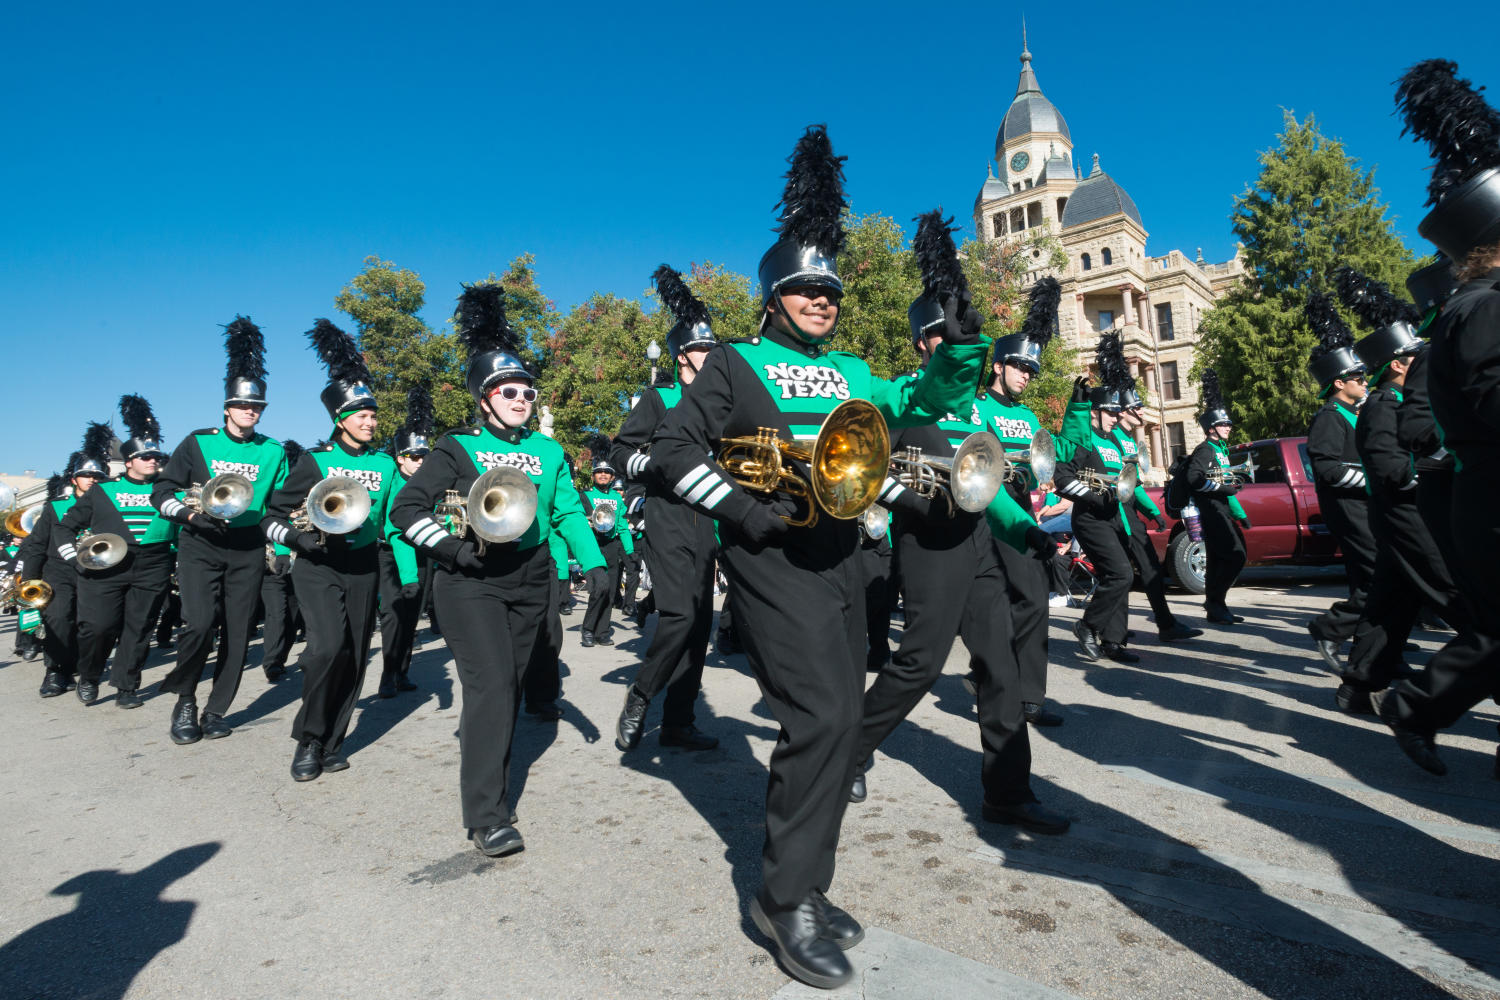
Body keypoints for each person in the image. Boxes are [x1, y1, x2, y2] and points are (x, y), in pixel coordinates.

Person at [650, 127, 988, 989]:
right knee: (826, 719)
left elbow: (914, 414)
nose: (822, 300)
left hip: (845, 554)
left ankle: (808, 882)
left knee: (838, 728)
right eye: (805, 289)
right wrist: (744, 513)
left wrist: (959, 346)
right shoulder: (731, 362)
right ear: (773, 296)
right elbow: (674, 453)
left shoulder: (852, 369)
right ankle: (783, 899)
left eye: (830, 290)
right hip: (773, 558)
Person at [854, 211, 1065, 836]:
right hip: (927, 543)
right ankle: (847, 751)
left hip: (976, 543)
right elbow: (873, 474)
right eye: (944, 338)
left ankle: (1008, 792)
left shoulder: (977, 408)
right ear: (924, 343)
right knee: (918, 664)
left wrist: (1024, 531)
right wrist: (909, 501)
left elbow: (988, 483)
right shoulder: (900, 398)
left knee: (999, 667)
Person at [390, 283, 607, 857]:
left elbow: (566, 511)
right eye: (507, 391)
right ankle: (487, 815)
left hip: (531, 575)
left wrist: (597, 563)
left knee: (508, 688)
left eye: (527, 390)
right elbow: (405, 510)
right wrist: (450, 551)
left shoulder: (551, 451)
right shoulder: (456, 446)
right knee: (489, 687)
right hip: (470, 581)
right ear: (483, 400)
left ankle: (493, 781)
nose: (521, 398)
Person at [1377, 59, 1500, 776]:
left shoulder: (1471, 305)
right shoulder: (1482, 307)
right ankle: (1415, 703)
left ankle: (1416, 703)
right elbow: (1489, 397)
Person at [263, 320, 397, 781]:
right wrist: (297, 540)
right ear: (340, 418)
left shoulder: (384, 463)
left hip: (364, 565)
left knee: (355, 656)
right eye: (362, 415)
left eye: (374, 415)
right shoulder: (315, 460)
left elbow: (400, 514)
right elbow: (270, 515)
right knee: (326, 650)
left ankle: (334, 740)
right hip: (317, 564)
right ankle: (309, 738)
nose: (371, 421)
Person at [1334, 267, 1469, 712]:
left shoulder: (1390, 402)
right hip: (1404, 512)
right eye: (1413, 356)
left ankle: (1358, 684)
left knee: (1391, 602)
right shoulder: (1381, 406)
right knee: (1460, 598)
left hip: (1405, 514)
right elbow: (1390, 467)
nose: (1423, 360)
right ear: (1397, 363)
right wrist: (1441, 464)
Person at [152, 317, 288, 745]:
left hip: (247, 547)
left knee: (238, 631)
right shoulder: (198, 442)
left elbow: (281, 503)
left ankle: (215, 709)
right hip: (199, 543)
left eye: (258, 407)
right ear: (227, 407)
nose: (251, 412)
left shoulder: (274, 450)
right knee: (198, 625)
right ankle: (186, 698)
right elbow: (162, 492)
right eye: (244, 405)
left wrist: (282, 543)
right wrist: (190, 517)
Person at [609, 267, 725, 752]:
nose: (714, 358)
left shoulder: (726, 403)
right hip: (668, 515)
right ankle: (641, 694)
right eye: (704, 351)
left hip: (712, 521)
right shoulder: (660, 398)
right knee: (678, 616)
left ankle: (679, 722)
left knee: (699, 622)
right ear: (682, 358)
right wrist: (657, 466)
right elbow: (619, 452)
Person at [977, 276, 1067, 724]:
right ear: (998, 366)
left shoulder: (1030, 416)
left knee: (1031, 598)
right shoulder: (978, 407)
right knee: (1007, 603)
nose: (1026, 377)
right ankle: (997, 682)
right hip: (986, 514)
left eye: (1031, 371)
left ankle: (1027, 696)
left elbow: (1041, 461)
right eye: (1019, 368)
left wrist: (1040, 474)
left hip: (1022, 509)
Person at [61, 399, 177, 708]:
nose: (153, 460)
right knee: (98, 627)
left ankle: (127, 686)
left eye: (157, 456)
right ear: (128, 462)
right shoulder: (103, 490)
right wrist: (75, 559)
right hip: (106, 566)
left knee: (139, 629)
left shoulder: (168, 492)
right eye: (146, 456)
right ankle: (88, 675)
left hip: (153, 563)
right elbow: (65, 527)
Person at [1055, 335, 1143, 663]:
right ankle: (1088, 625)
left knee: (1116, 576)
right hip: (1090, 517)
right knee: (1121, 573)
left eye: (1113, 412)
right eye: (1106, 412)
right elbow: (1062, 478)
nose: (1111, 417)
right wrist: (1092, 494)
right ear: (1093, 411)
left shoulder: (1116, 443)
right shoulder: (1084, 438)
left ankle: (1114, 642)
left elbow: (1125, 479)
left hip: (1113, 515)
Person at [1303, 292, 1375, 670]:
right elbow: (1328, 469)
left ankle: (1376, 648)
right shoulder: (1330, 416)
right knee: (1379, 575)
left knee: (1374, 578)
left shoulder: (1354, 413)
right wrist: (1376, 478)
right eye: (1357, 377)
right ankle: (1332, 628)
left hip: (1365, 505)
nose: (1364, 382)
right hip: (1349, 508)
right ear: (1337, 383)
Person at [21, 433, 112, 697]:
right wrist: (30, 581)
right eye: (87, 476)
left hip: (96, 573)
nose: (93, 480)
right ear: (74, 480)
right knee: (59, 618)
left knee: (91, 625)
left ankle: (83, 668)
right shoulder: (55, 507)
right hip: (59, 571)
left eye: (98, 477)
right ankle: (55, 671)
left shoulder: (110, 506)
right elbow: (37, 545)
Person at [1114, 383, 1202, 641]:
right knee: (1133, 571)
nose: (1141, 410)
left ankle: (1123, 626)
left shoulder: (1128, 439)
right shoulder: (1115, 438)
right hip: (1120, 513)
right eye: (1136, 407)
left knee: (1137, 571)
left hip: (1131, 510)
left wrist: (1152, 512)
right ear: (1122, 411)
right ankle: (1160, 624)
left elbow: (1136, 484)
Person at [377, 385, 433, 699]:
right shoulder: (391, 480)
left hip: (423, 556)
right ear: (400, 458)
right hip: (391, 557)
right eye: (414, 456)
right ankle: (387, 675)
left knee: (411, 618)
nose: (421, 461)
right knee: (393, 618)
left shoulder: (430, 483)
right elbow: (394, 528)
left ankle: (402, 671)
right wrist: (408, 575)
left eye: (425, 455)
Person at [1184, 370, 1250, 624]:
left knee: (1218, 558)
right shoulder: (1204, 449)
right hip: (1210, 510)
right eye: (1223, 424)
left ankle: (1216, 606)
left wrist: (1240, 514)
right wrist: (1222, 490)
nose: (1228, 427)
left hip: (1221, 509)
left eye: (1228, 423)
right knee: (1235, 555)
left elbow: (1226, 484)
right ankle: (1215, 601)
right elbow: (1194, 478)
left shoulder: (1220, 451)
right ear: (1211, 428)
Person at [257, 439, 304, 683]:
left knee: (295, 614)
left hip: (300, 560)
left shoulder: (308, 495)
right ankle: (272, 662)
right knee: (278, 612)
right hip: (271, 560)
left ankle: (280, 657)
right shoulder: (271, 496)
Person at [579, 439, 632, 647]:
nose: (603, 475)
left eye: (607, 473)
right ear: (593, 476)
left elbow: (622, 527)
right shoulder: (584, 495)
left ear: (612, 477)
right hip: (593, 546)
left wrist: (629, 551)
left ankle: (602, 631)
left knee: (610, 591)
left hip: (611, 547)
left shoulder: (618, 500)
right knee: (598, 589)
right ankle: (588, 629)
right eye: (599, 472)